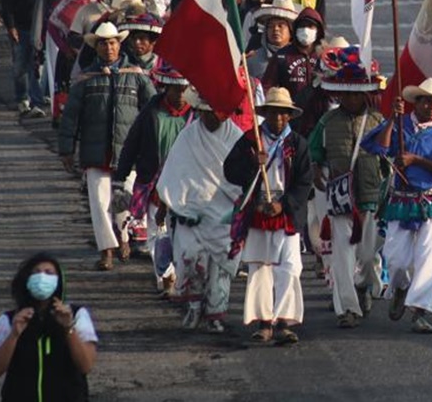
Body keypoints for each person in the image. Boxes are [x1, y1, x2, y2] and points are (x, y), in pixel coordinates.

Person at [361, 78, 432, 335]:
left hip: (429, 199)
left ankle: (420, 310)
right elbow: (376, 147)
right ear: (415, 102)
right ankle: (400, 287)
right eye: (426, 100)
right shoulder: (400, 125)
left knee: (429, 258)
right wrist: (393, 119)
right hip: (400, 198)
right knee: (396, 258)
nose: (431, 106)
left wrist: (416, 159)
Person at [58, 22, 157, 271]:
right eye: (103, 43)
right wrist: (66, 148)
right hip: (95, 150)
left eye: (113, 42)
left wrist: (154, 145)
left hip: (128, 150)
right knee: (99, 202)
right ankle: (107, 249)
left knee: (124, 198)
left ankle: (124, 237)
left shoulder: (135, 75)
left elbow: (153, 110)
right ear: (97, 47)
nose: (109, 47)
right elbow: (71, 116)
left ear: (119, 44)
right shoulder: (86, 79)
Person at [224, 87, 313, 346]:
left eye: (283, 114)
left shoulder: (298, 143)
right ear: (265, 114)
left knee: (289, 267)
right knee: (260, 267)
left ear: (289, 116)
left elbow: (305, 181)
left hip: (286, 212)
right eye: (273, 113)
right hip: (259, 209)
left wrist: (284, 204)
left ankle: (284, 321)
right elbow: (230, 171)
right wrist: (253, 163)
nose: (278, 119)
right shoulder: (251, 140)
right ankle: (264, 322)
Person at [157, 89, 246, 333]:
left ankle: (216, 314)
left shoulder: (237, 138)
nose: (211, 118)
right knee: (191, 259)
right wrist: (166, 203)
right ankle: (194, 307)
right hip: (191, 211)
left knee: (220, 266)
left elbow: (245, 179)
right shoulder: (187, 138)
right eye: (206, 113)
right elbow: (174, 172)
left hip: (224, 212)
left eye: (216, 113)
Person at [308, 53, 386, 328]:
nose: (352, 100)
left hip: (369, 196)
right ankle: (347, 309)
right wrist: (318, 171)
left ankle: (363, 285)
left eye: (357, 95)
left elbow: (388, 159)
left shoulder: (379, 121)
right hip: (339, 195)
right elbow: (315, 150)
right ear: (339, 95)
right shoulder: (328, 121)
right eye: (347, 95)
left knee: (368, 252)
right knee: (342, 253)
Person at [114, 63, 196, 297]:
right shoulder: (151, 112)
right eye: (175, 89)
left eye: (184, 88)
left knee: (181, 234)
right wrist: (121, 176)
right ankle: (165, 277)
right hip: (153, 182)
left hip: (186, 185)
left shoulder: (197, 116)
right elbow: (131, 143)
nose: (180, 94)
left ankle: (181, 278)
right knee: (156, 234)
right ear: (165, 88)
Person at [0, 253, 97, 400]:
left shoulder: (77, 315)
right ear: (26, 279)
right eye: (36, 272)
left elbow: (86, 365)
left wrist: (68, 328)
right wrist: (14, 335)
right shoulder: (9, 319)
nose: (42, 277)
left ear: (59, 281)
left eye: (49, 273)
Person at [0, 0, 48, 117]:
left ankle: (37, 100)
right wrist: (11, 26)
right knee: (20, 65)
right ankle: (22, 98)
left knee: (36, 66)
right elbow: (7, 2)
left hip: (40, 27)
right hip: (20, 26)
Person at [261, 5, 325, 99]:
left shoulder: (326, 57)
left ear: (318, 31)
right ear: (295, 30)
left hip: (322, 112)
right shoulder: (282, 56)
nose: (305, 30)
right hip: (290, 111)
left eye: (310, 26)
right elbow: (267, 87)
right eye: (302, 26)